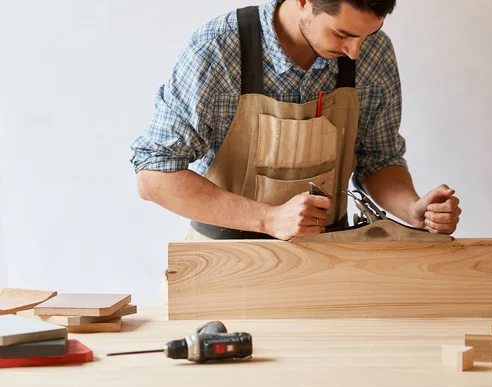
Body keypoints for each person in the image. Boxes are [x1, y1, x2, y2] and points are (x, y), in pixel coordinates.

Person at [129, 0, 461, 241]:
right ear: (303, 2)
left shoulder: (374, 51)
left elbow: (379, 158)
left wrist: (411, 209)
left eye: (367, 35)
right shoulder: (217, 48)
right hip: (223, 259)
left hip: (330, 254)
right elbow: (155, 176)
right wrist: (268, 219)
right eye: (342, 34)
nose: (356, 51)